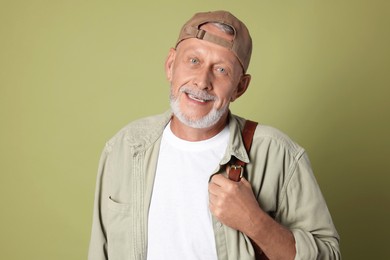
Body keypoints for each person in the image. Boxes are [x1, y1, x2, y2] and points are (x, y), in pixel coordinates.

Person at [88, 10, 340, 260]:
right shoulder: (125, 147)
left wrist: (255, 222)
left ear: (240, 87)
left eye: (221, 70)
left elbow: (329, 256)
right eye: (194, 61)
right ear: (170, 65)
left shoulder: (279, 154)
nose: (202, 82)